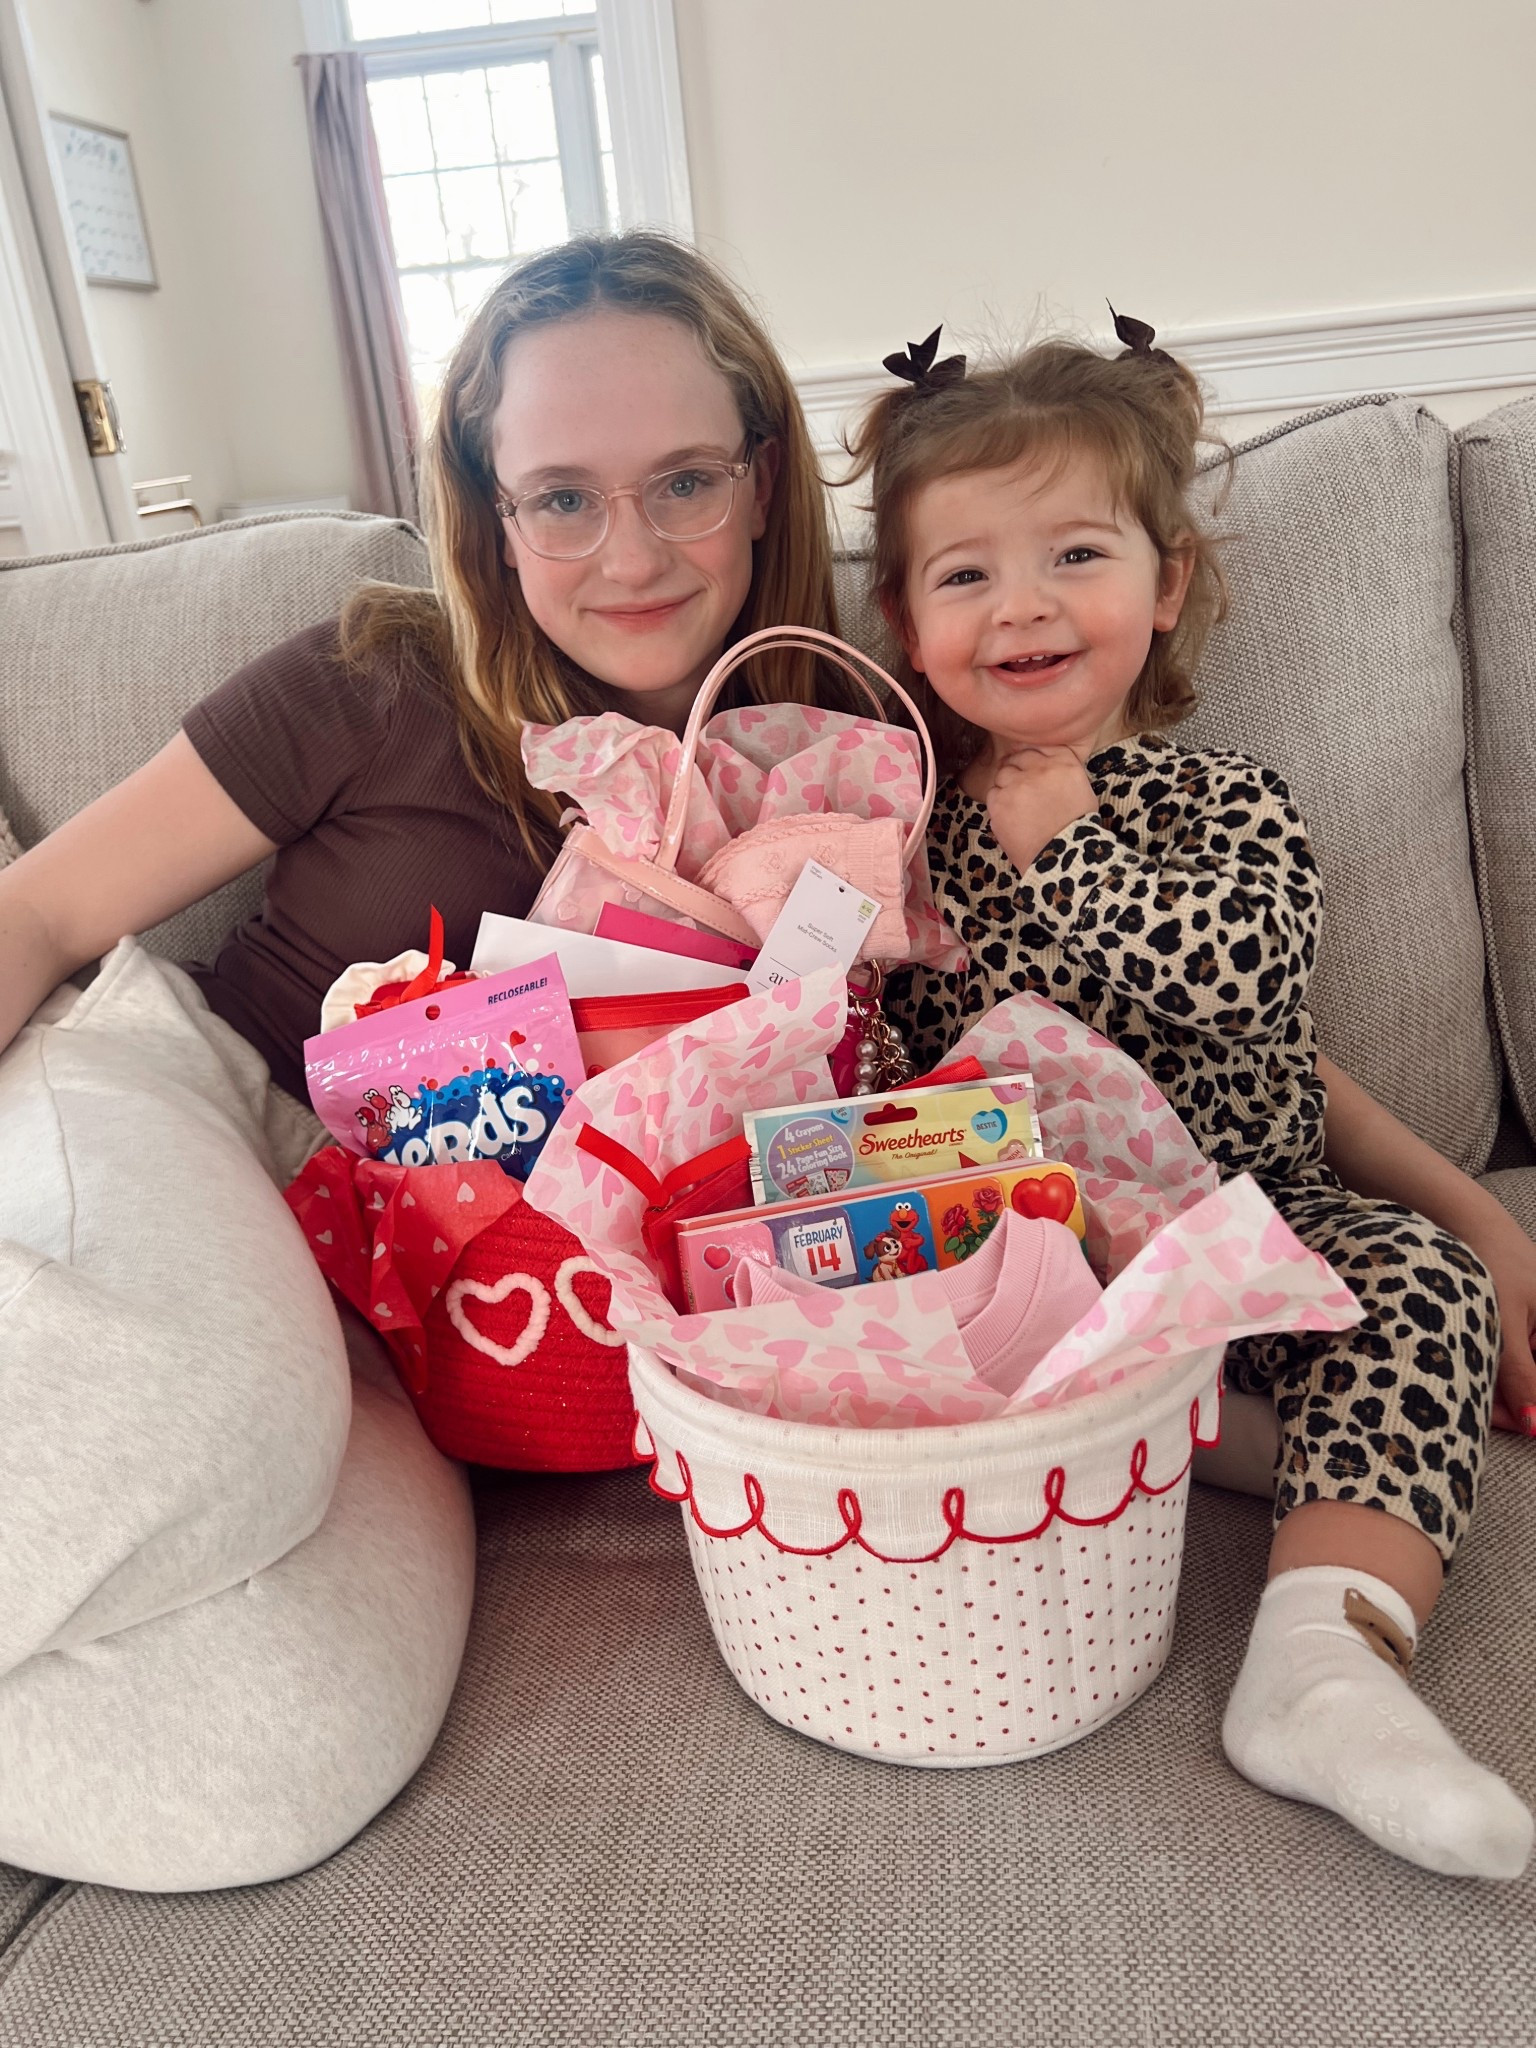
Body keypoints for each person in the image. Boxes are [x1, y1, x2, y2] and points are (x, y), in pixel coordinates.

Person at [0, 231, 841, 1889]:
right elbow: (36, 914)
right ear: (488, 510)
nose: (633, 553)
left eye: (682, 480)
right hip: (203, 1122)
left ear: (759, 479)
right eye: (561, 496)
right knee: (217, 1403)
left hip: (431, 1324)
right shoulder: (374, 674)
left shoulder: (832, 765)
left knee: (269, 1771)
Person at [856, 317, 1535, 1880]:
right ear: (905, 620)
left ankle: (1325, 1660)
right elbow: (881, 1061)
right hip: (1041, 1269)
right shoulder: (901, 839)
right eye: (964, 575)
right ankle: (1180, 1425)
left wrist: (1077, 839)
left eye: (1075, 555)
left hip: (1259, 1228)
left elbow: (1247, 982)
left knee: (1420, 1289)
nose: (1020, 603)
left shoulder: (1226, 799)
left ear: (1162, 588)